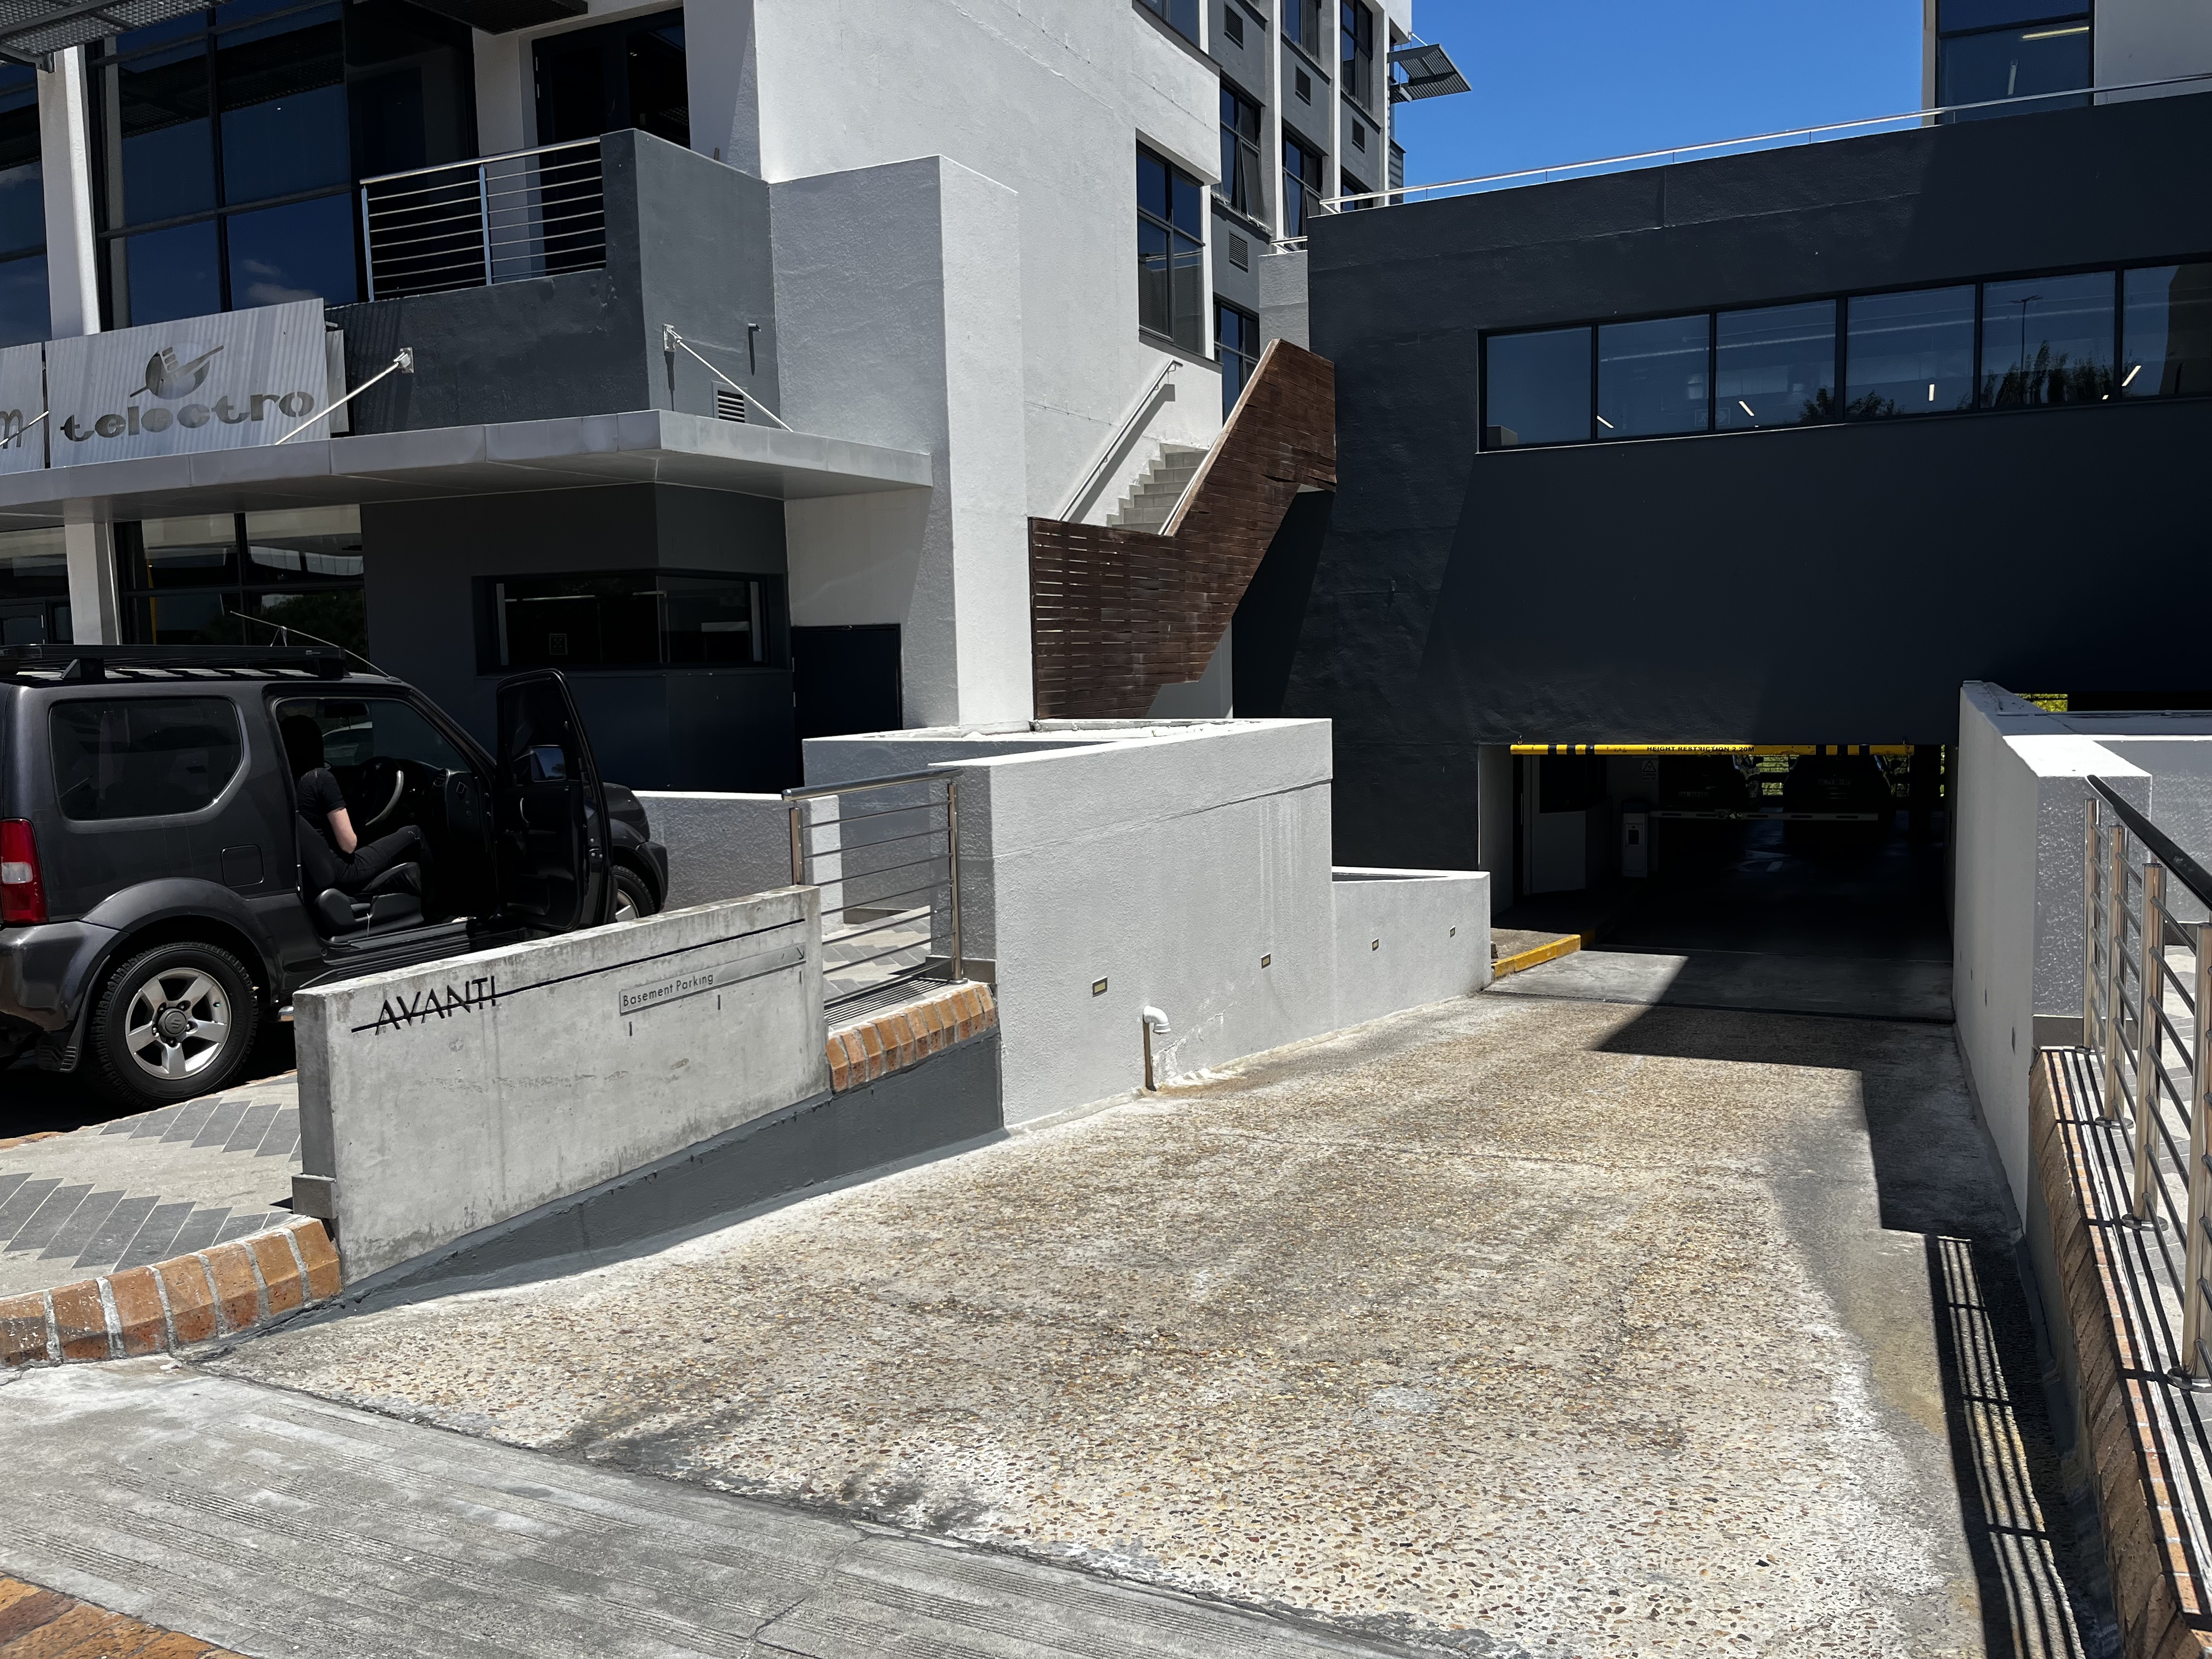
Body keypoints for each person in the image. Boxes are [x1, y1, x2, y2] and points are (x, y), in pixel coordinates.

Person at [279, 715, 428, 904]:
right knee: (414, 833)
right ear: (316, 744)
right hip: (344, 869)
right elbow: (349, 845)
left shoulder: (286, 782)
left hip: (316, 870)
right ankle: (436, 906)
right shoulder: (320, 778)